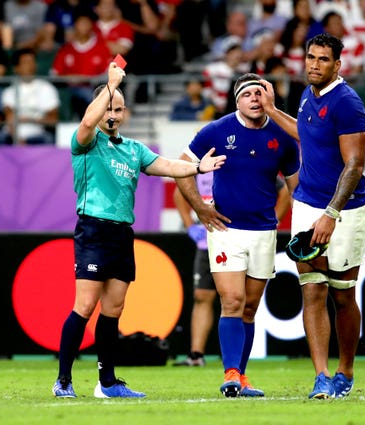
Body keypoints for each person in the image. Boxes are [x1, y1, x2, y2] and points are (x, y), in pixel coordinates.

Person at [51, 61, 226, 399]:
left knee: (113, 310)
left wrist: (197, 166)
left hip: (121, 235)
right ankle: (63, 379)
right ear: (99, 110)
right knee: (84, 306)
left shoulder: (133, 150)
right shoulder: (85, 143)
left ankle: (107, 383)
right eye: (108, 107)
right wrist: (110, 84)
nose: (113, 114)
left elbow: (167, 166)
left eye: (119, 108)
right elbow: (88, 120)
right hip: (93, 230)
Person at [259, 33, 365, 399]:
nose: (313, 64)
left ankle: (346, 371)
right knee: (312, 291)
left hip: (345, 210)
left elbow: (354, 165)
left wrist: (331, 214)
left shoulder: (348, 103)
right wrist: (274, 111)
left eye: (323, 59)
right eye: (310, 57)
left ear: (338, 65)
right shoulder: (309, 94)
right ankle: (321, 375)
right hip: (306, 203)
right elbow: (305, 134)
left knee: (342, 295)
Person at [175, 72, 300, 397]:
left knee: (249, 307)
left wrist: (296, 218)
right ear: (237, 100)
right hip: (225, 229)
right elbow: (181, 168)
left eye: (260, 93)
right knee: (231, 301)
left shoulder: (282, 137)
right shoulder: (216, 130)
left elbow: (294, 185)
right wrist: (200, 210)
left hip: (264, 232)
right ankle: (230, 374)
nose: (255, 99)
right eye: (248, 94)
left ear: (268, 98)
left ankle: (241, 377)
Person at [172, 174, 292, 367]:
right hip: (209, 240)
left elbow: (285, 190)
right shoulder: (202, 164)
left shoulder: (246, 158)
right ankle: (196, 355)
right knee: (203, 295)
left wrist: (273, 219)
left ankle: (235, 362)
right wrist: (189, 226)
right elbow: (180, 190)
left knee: (240, 301)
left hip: (244, 236)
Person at [0, 47, 59, 145]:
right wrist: (18, 139)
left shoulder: (47, 88)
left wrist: (29, 120)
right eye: (26, 62)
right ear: (16, 68)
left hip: (38, 134)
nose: (30, 66)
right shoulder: (9, 92)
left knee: (49, 139)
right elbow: (9, 118)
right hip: (12, 135)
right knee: (0, 137)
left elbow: (53, 120)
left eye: (32, 62)